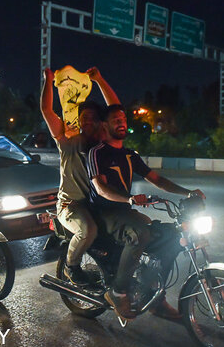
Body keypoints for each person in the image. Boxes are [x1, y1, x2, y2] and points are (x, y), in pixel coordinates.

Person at [88, 104, 205, 320]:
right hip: (105, 213)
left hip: (124, 211)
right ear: (104, 125)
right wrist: (129, 198)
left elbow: (157, 180)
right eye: (115, 119)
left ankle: (155, 298)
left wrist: (188, 193)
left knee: (171, 236)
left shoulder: (131, 155)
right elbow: (100, 188)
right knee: (140, 234)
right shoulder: (97, 153)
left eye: (123, 119)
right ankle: (118, 291)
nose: (121, 122)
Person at [40, 66, 119, 285]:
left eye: (92, 118)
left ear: (101, 123)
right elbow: (47, 111)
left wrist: (100, 80)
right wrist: (48, 80)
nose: (87, 122)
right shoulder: (66, 142)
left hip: (98, 204)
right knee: (88, 230)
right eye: (83, 118)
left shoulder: (104, 144)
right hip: (71, 206)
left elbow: (116, 109)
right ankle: (71, 267)